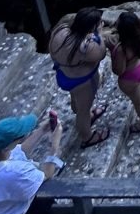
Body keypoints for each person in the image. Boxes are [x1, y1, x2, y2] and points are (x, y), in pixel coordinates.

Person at [48, 9, 111, 146]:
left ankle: (83, 112)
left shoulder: (61, 30)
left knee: (77, 100)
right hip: (82, 81)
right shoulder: (85, 46)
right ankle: (87, 136)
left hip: (63, 74)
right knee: (83, 111)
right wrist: (99, 33)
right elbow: (100, 54)